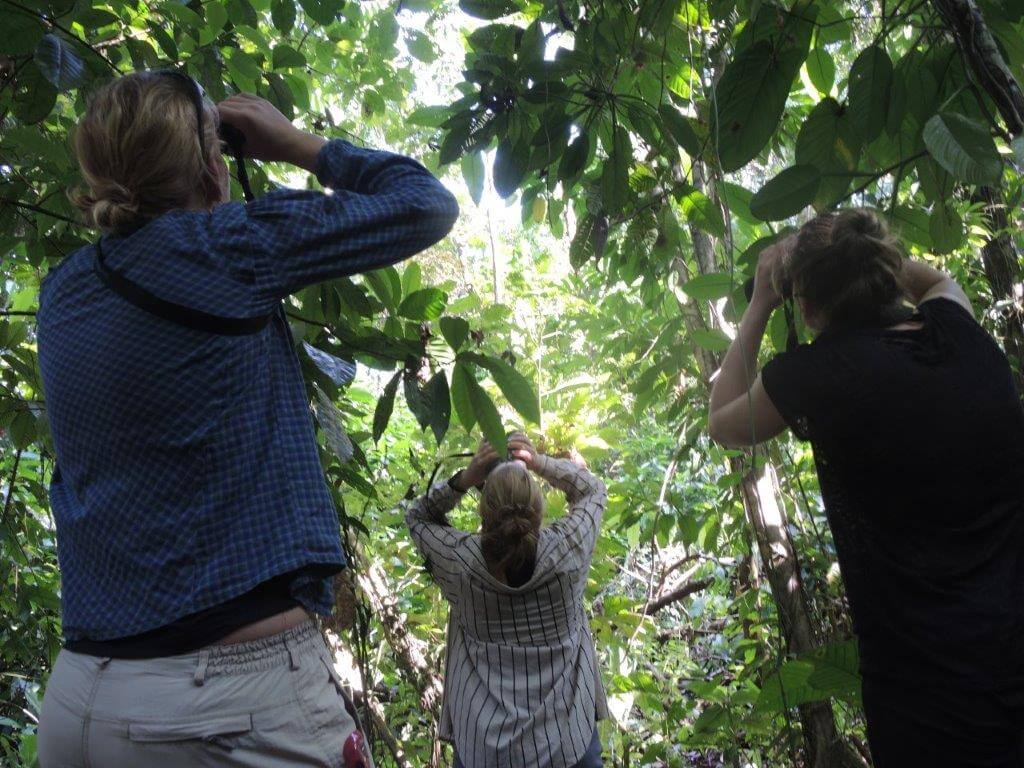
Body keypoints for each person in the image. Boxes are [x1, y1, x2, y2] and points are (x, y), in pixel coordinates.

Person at [35, 71, 458, 767]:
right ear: (211, 165)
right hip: (223, 708)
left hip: (83, 700)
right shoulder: (228, 248)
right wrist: (297, 144)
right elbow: (425, 204)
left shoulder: (65, 292)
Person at [708, 208, 1024, 767]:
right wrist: (858, 247)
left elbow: (723, 421)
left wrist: (760, 298)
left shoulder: (818, 374)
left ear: (804, 306)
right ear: (883, 267)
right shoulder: (960, 333)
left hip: (929, 705)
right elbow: (935, 283)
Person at [404, 433, 608, 768]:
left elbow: (418, 517)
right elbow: (593, 489)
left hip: (486, 749)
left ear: (484, 511)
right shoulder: (567, 552)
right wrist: (537, 461)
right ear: (538, 507)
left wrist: (467, 477)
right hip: (569, 744)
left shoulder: (462, 564)